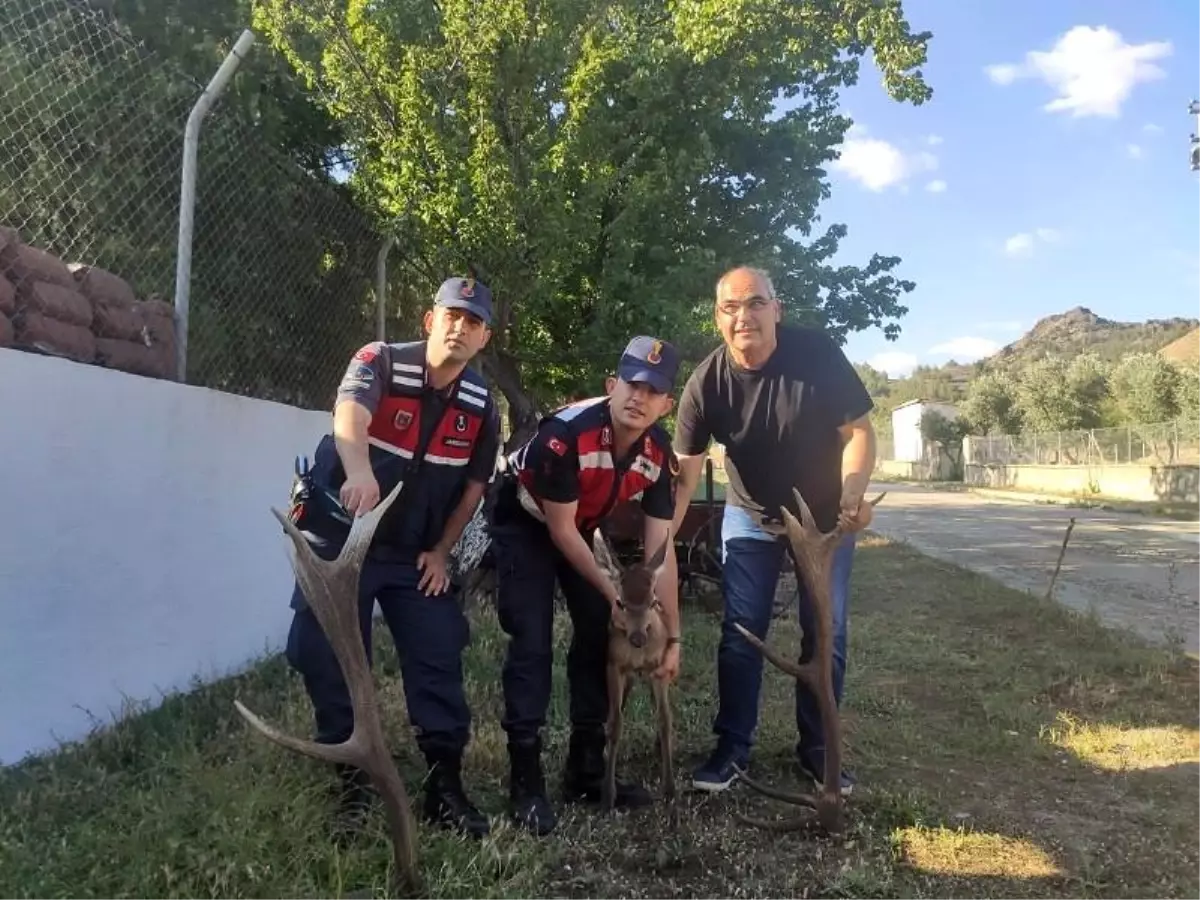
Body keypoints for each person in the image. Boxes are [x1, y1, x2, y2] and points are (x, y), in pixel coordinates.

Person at [283, 276, 501, 840]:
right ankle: (350, 781)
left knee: (439, 652)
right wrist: (358, 470)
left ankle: (444, 786)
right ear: (430, 321)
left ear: (484, 338)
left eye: (473, 322)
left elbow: (475, 487)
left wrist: (443, 552)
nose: (460, 327)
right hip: (344, 543)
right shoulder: (378, 360)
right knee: (320, 650)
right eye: (452, 315)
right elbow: (350, 414)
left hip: (413, 554)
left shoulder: (482, 404)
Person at [669, 266, 876, 796]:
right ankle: (732, 748)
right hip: (751, 517)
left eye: (756, 303)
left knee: (827, 634)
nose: (745, 317)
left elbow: (858, 432)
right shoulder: (706, 382)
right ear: (718, 317)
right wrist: (660, 544)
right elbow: (684, 473)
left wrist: (853, 491)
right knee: (741, 632)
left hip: (826, 516)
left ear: (777, 309)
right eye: (730, 307)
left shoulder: (818, 355)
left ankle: (818, 749)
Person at [489, 336, 684, 836]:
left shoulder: (658, 454)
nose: (639, 397)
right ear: (611, 385)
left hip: (579, 526)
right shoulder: (566, 435)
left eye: (654, 390)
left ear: (667, 405)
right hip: (527, 522)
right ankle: (526, 782)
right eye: (632, 383)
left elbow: (662, 555)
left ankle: (586, 768)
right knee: (533, 641)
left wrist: (674, 640)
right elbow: (559, 531)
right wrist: (613, 593)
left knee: (599, 632)